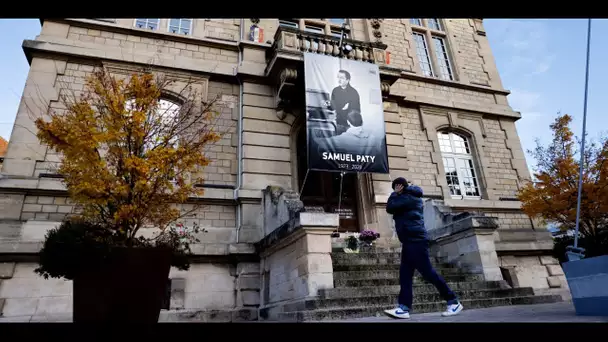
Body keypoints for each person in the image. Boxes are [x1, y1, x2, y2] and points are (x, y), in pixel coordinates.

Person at [383, 177, 463, 319]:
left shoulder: (409, 197)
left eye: (396, 186)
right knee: (405, 275)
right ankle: (404, 308)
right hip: (409, 241)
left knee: (428, 273)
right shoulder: (407, 197)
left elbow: (390, 207)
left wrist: (394, 194)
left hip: (416, 241)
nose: (394, 189)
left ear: (401, 186)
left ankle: (453, 301)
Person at [330, 70, 361, 135]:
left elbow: (357, 111)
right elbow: (332, 106)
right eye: (338, 77)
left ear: (348, 80)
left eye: (341, 78)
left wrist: (349, 106)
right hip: (338, 124)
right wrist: (328, 104)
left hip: (350, 126)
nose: (339, 80)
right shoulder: (335, 90)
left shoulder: (354, 92)